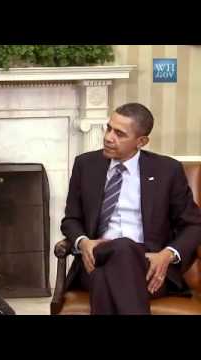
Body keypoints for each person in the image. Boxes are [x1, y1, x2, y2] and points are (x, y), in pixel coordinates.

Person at [61, 102, 201, 314]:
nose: (108, 137)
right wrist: (83, 242)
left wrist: (167, 254)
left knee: (114, 262)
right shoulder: (86, 165)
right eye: (109, 128)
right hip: (95, 258)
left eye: (119, 133)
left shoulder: (167, 170)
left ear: (141, 141)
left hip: (149, 266)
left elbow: (193, 224)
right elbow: (71, 219)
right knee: (121, 249)